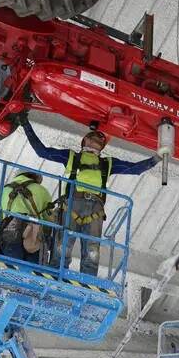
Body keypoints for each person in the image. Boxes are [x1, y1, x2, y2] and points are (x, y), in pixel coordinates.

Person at [18, 115, 156, 276]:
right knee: (62, 249)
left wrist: (156, 159)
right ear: (85, 141)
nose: (97, 139)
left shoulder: (107, 164)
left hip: (94, 211)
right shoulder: (72, 157)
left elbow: (135, 169)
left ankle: (87, 284)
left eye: (100, 139)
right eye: (94, 137)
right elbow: (41, 151)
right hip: (72, 206)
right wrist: (25, 124)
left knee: (92, 253)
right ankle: (55, 278)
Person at [0, 170, 51, 263]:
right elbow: (48, 219)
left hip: (9, 234)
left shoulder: (4, 189)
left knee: (5, 263)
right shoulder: (42, 191)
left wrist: (4, 217)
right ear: (36, 178)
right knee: (31, 270)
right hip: (32, 236)